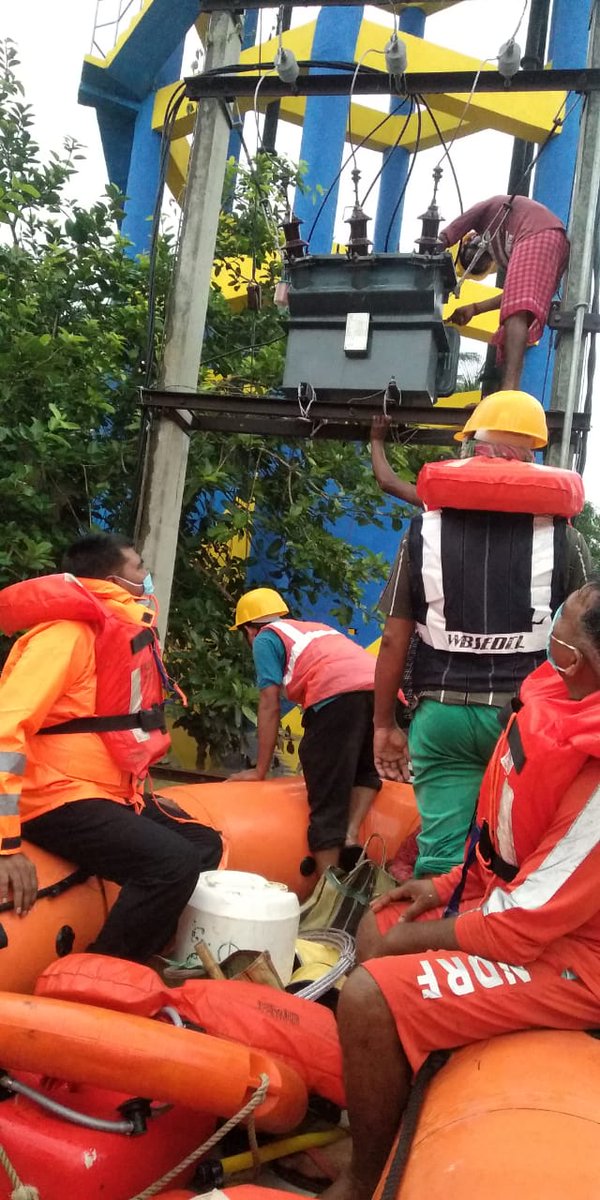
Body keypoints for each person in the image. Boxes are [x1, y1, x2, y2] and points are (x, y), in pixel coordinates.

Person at [320, 581, 600, 1200]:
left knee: (369, 994)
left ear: (580, 658)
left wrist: (423, 938)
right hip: (524, 909)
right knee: (380, 920)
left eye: (562, 628)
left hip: (578, 959)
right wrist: (445, 885)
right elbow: (508, 844)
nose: (550, 635)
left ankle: (365, 1178)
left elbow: (527, 922)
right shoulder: (558, 702)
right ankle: (389, 1097)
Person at [374, 390, 591, 877]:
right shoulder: (564, 540)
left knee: (440, 858)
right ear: (532, 456)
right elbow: (586, 642)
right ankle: (493, 944)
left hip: (442, 717)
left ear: (473, 448)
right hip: (523, 720)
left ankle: (426, 938)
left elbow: (394, 639)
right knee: (518, 856)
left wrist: (384, 725)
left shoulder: (421, 534)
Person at [0, 532, 222, 962]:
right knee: (171, 863)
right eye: (139, 567)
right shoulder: (65, 636)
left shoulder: (113, 631)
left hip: (106, 792)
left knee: (203, 844)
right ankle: (101, 976)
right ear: (114, 580)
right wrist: (4, 847)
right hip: (53, 796)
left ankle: (148, 953)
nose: (147, 575)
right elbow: (5, 730)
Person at [229, 587, 390, 876]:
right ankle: (351, 835)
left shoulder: (265, 638)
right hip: (379, 690)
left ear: (249, 630)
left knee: (326, 787)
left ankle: (328, 884)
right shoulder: (314, 629)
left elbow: (269, 703)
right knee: (364, 769)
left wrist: (260, 770)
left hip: (338, 695)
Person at [440, 194, 569, 389]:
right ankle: (505, 391)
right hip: (552, 239)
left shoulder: (493, 212)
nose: (475, 260)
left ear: (468, 240)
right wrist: (475, 309)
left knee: (515, 314)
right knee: (515, 316)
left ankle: (509, 389)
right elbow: (515, 295)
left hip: (539, 231)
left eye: (470, 259)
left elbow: (463, 222)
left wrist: (441, 241)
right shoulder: (505, 252)